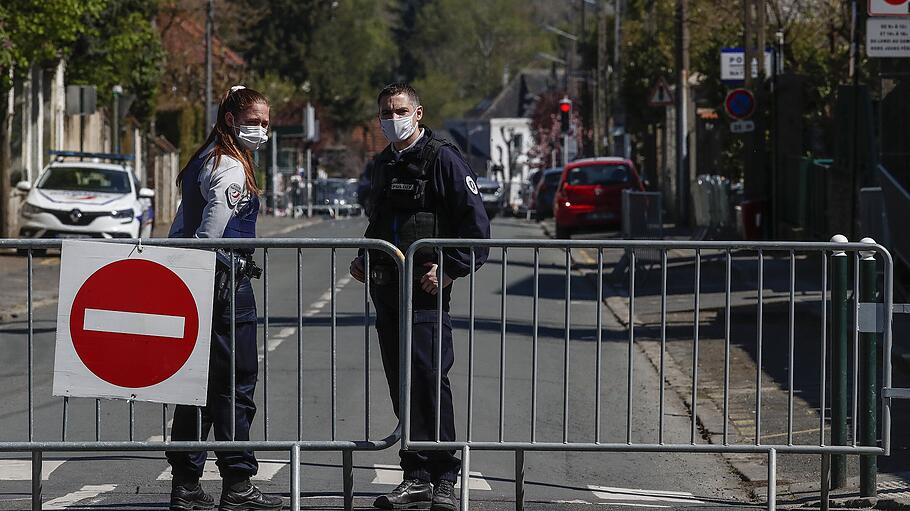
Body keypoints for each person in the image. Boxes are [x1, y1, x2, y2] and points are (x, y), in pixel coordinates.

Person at [349, 83, 491, 511]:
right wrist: (364, 257)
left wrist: (450, 269)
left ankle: (443, 477)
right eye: (386, 112)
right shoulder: (383, 165)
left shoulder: (443, 160)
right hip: (387, 291)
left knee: (428, 380)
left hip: (425, 293)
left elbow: (476, 228)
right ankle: (415, 476)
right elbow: (379, 223)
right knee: (402, 385)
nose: (392, 118)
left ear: (418, 113)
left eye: (400, 110)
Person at [166, 86, 283, 511]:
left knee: (196, 386)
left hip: (201, 284)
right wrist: (199, 271)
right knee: (236, 384)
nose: (261, 129)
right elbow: (208, 236)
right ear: (230, 120)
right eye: (253, 121)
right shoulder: (230, 166)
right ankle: (237, 483)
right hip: (224, 285)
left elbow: (180, 227)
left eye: (265, 122)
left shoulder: (205, 157)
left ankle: (186, 484)